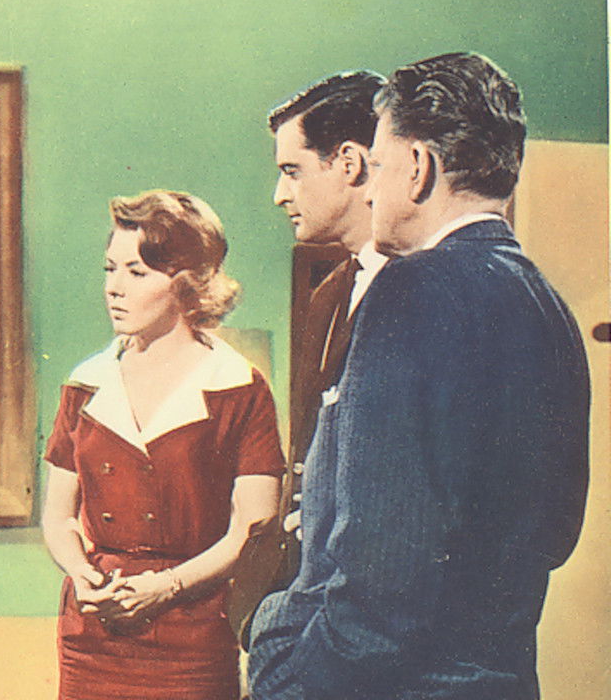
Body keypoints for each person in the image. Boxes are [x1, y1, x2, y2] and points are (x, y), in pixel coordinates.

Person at [248, 52, 590, 699]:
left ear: (418, 166)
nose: (371, 190)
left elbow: (381, 581)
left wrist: (287, 666)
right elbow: (557, 534)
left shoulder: (411, 288)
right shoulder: (550, 307)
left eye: (377, 167)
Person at [40, 190, 283, 700]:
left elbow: (252, 528)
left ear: (188, 282)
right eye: (110, 269)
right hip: (94, 631)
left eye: (136, 272)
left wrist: (167, 586)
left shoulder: (239, 388)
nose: (114, 288)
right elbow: (58, 516)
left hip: (193, 631)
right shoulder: (84, 384)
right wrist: (80, 573)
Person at [227, 71, 386, 643]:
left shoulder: (419, 290)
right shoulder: (328, 294)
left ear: (349, 163)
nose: (279, 194)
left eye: (291, 171)